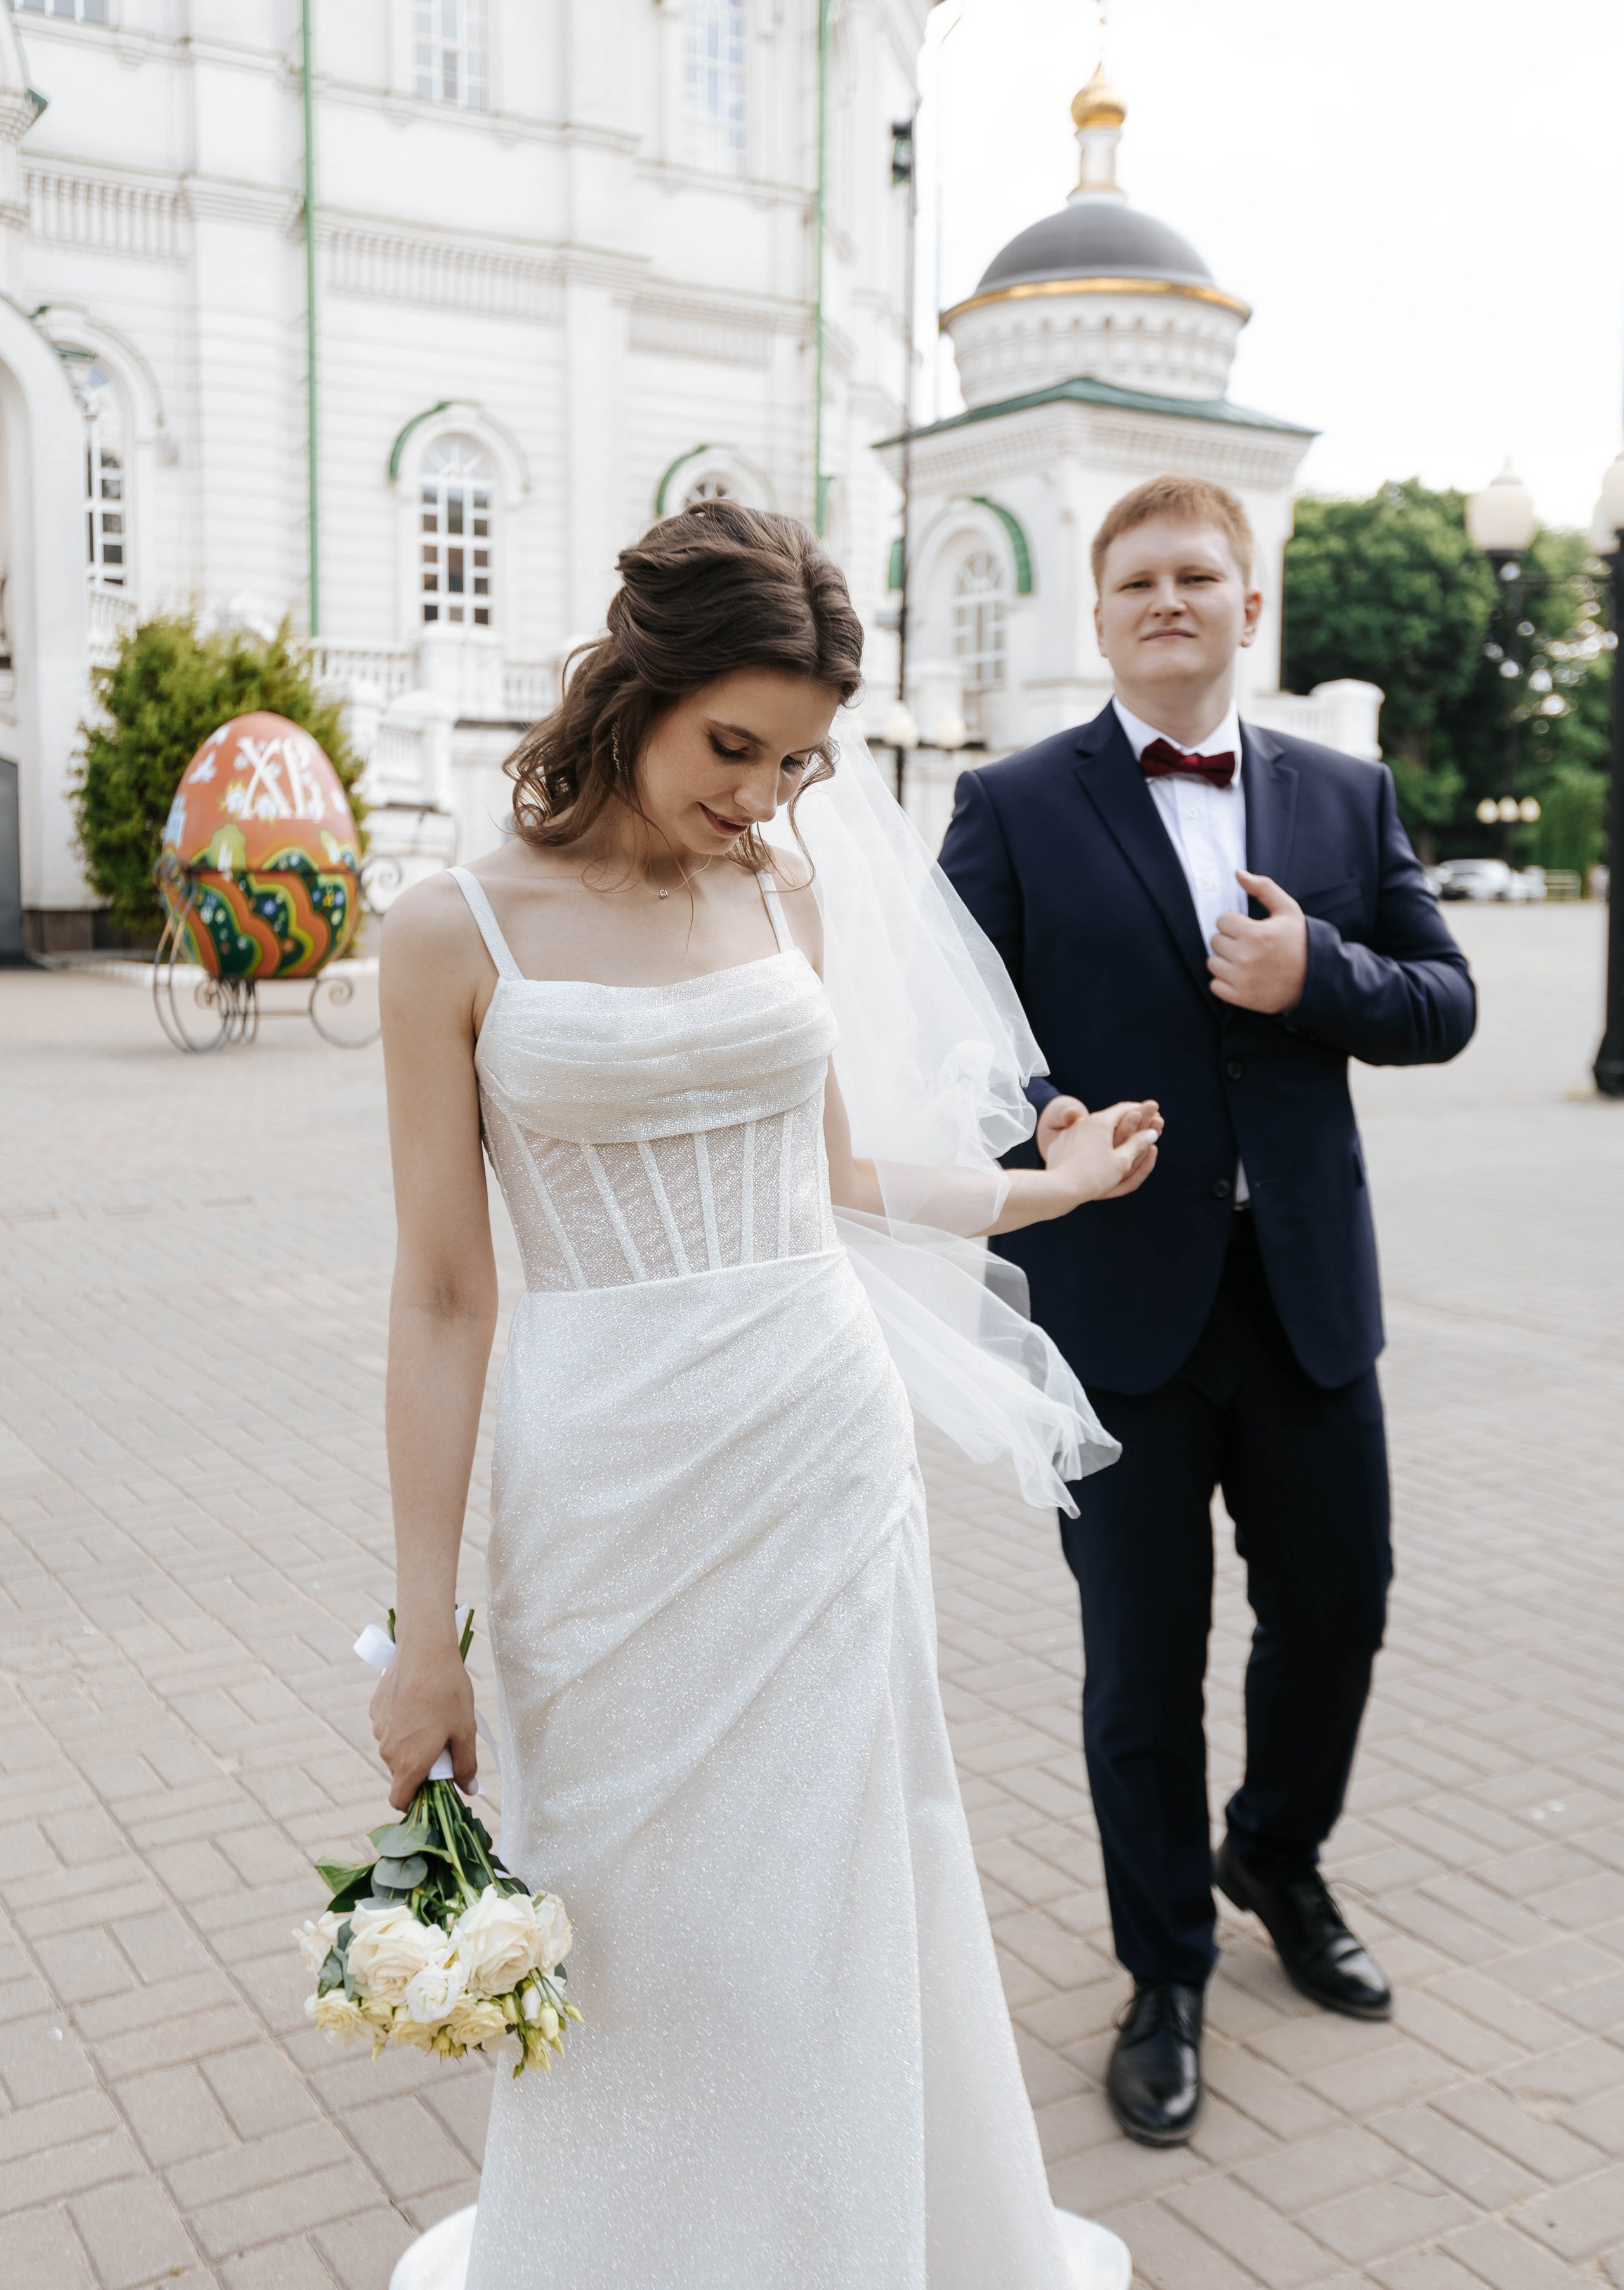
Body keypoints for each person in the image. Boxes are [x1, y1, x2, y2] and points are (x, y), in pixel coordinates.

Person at [368, 503, 1158, 2289]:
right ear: (629, 686)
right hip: (605, 1473)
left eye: (798, 762)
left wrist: (1061, 1184)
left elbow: (845, 1185)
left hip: (815, 1445)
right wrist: (430, 1636)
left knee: (842, 1891)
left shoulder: (782, 889)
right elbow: (436, 1291)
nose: (763, 795)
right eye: (735, 746)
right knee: (638, 1919)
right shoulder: (451, 931)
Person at [939, 473, 1477, 2149]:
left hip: (1310, 1300)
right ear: (1097, 618)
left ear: (1251, 607)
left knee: (1339, 1611)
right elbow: (953, 1033)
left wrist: (1318, 976)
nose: (1170, 599)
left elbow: (1446, 1001)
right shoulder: (1014, 803)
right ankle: (1165, 1966)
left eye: (1201, 576)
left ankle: (1278, 1856)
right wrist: (1040, 1123)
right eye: (1138, 581)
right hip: (1120, 1315)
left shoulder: (1343, 790)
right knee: (1140, 1667)